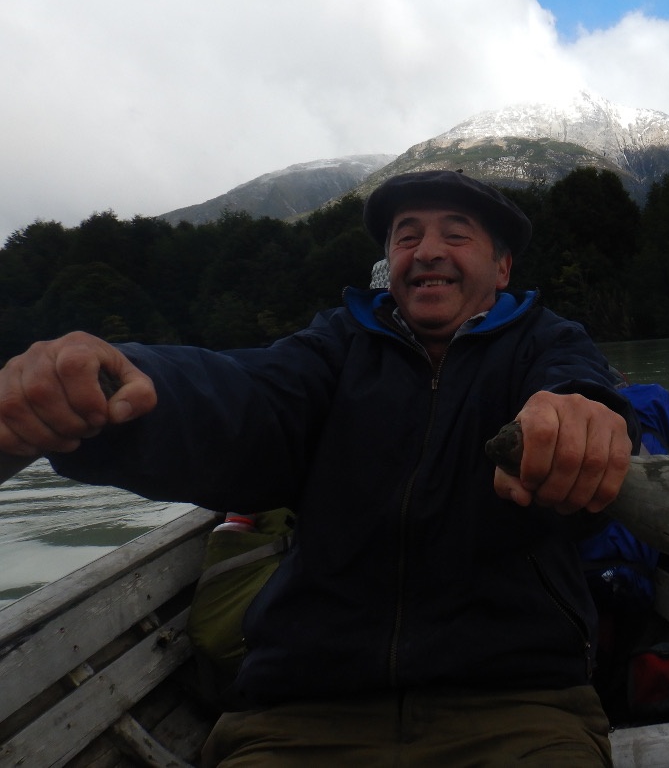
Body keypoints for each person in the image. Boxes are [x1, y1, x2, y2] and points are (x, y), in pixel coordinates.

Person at [0, 170, 636, 766]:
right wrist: (129, 379)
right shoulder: (333, 349)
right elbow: (243, 396)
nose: (429, 250)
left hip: (519, 706)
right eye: (407, 236)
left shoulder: (547, 343)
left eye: (456, 234)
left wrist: (585, 416)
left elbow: (582, 390)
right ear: (392, 266)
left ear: (501, 267)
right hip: (301, 711)